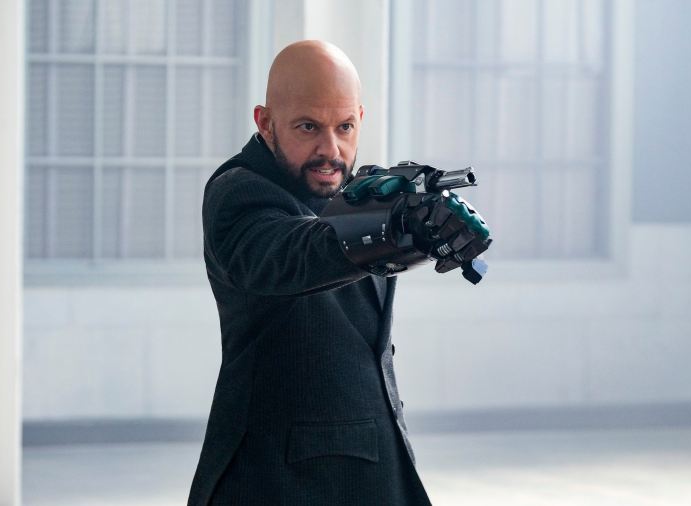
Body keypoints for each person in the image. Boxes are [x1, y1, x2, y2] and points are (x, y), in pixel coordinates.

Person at [188, 40, 488, 505]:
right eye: (308, 126)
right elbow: (295, 252)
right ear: (265, 123)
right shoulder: (239, 192)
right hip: (278, 484)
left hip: (375, 472)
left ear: (360, 119)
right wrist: (400, 224)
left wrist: (422, 224)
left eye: (344, 127)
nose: (330, 150)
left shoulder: (356, 192)